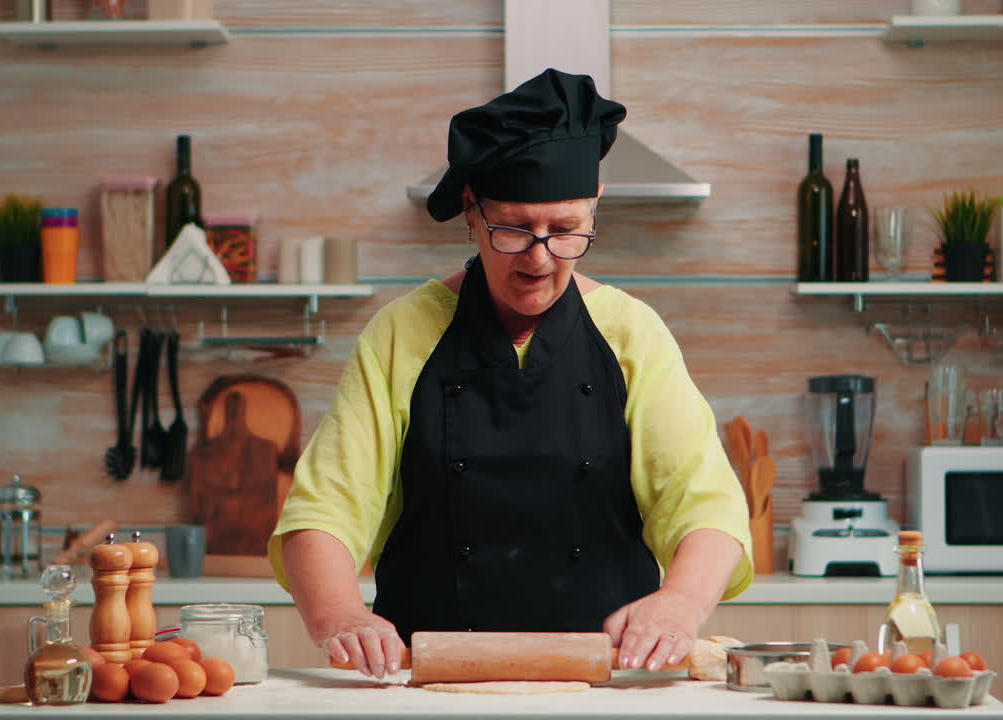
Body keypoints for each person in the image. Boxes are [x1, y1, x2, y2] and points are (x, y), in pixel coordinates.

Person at [268, 68, 752, 680]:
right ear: (471, 211)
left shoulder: (634, 335)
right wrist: (339, 613)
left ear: (593, 206)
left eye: (566, 230)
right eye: (515, 229)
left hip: (606, 684)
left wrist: (679, 602)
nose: (540, 257)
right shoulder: (402, 333)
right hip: (428, 683)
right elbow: (326, 508)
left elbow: (703, 503)